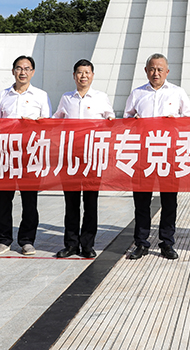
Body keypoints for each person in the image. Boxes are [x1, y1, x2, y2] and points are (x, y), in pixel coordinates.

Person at [123, 53, 190, 260]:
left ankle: (167, 243)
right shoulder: (137, 93)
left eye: (160, 69)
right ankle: (141, 242)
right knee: (142, 201)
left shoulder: (177, 92)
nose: (156, 73)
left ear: (167, 72)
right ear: (146, 71)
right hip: (143, 154)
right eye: (152, 69)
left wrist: (177, 120)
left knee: (169, 201)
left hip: (168, 154)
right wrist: (133, 121)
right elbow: (125, 119)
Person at [52, 58, 115, 259]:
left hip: (92, 157)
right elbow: (55, 120)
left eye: (87, 72)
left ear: (92, 76)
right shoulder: (66, 98)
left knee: (90, 202)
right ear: (74, 76)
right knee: (71, 203)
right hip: (70, 158)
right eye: (79, 72)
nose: (83, 76)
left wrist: (111, 122)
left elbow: (110, 118)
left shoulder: (100, 97)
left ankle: (87, 245)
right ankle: (71, 244)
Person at [0, 55, 51, 256]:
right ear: (13, 71)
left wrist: (35, 124)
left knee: (29, 200)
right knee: (3, 201)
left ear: (33, 72)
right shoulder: (3, 95)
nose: (22, 72)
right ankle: (3, 240)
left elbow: (48, 124)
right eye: (19, 68)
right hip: (5, 155)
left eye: (27, 68)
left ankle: (27, 240)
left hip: (30, 155)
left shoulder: (40, 95)